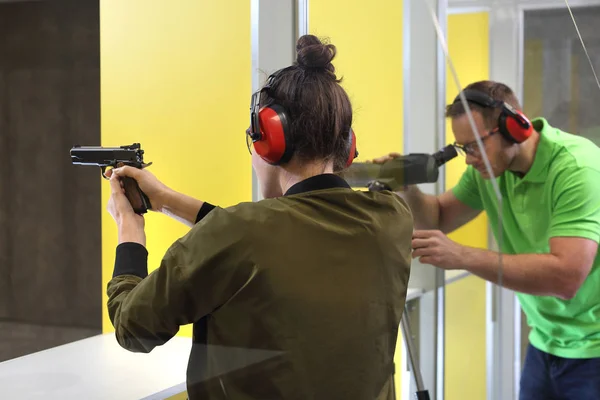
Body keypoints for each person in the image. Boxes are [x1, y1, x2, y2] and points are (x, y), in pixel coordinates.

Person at [104, 35, 414, 400]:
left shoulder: (239, 234)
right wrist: (168, 201)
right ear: (347, 147)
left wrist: (130, 226)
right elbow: (268, 241)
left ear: (269, 142)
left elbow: (133, 328)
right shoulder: (392, 218)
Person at [373, 80, 600, 399]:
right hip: (545, 342)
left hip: (593, 348)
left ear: (515, 127)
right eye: (463, 148)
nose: (468, 159)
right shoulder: (490, 170)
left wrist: (462, 256)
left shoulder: (577, 170)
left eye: (474, 146)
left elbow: (566, 277)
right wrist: (407, 188)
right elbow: (437, 218)